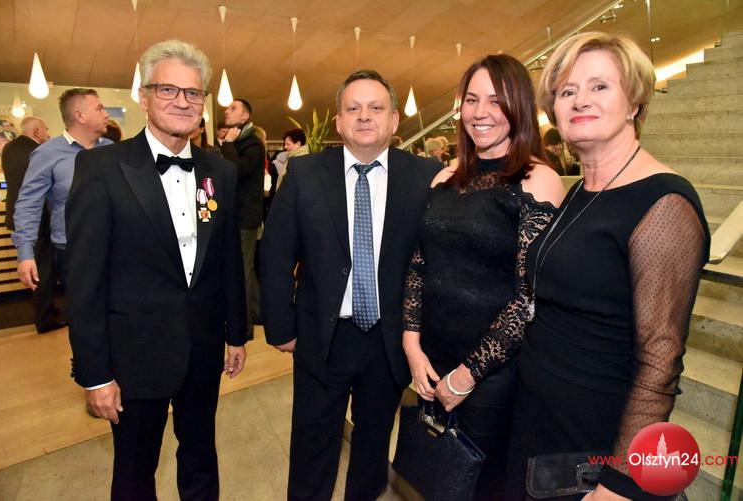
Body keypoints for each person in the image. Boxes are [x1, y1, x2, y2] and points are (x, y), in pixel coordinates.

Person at [505, 32, 710, 500]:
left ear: (634, 101)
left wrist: (620, 482)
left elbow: (660, 359)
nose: (581, 100)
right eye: (567, 91)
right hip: (542, 425)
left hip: (595, 447)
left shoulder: (664, 203)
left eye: (599, 86)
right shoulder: (583, 189)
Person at [65, 39, 247, 501]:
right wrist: (95, 374)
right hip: (133, 355)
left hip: (202, 347)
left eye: (193, 93)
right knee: (134, 471)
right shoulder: (101, 167)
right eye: (168, 89)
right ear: (143, 97)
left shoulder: (219, 171)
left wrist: (236, 333)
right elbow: (84, 281)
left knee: (201, 457)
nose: (182, 102)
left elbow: (227, 259)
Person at [259, 69, 440, 501]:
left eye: (376, 107)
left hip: (389, 339)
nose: (364, 116)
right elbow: (276, 254)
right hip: (322, 336)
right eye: (352, 108)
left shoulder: (426, 176)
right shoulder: (304, 174)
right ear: (338, 121)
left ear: (393, 120)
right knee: (312, 444)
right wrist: (281, 327)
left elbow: (436, 261)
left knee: (374, 444)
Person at [402, 54, 564, 499]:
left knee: (480, 486)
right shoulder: (445, 177)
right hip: (432, 359)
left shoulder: (538, 179)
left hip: (492, 373)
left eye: (495, 100)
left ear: (519, 106)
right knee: (435, 479)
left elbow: (529, 297)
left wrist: (468, 374)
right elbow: (419, 264)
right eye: (471, 100)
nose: (480, 112)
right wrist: (411, 344)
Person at [13, 88, 111, 305]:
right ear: (79, 115)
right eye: (99, 108)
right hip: (73, 250)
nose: (106, 114)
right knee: (84, 312)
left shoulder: (111, 150)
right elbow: (28, 204)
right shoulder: (47, 153)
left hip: (114, 247)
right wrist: (25, 253)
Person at [1, 116, 61, 333]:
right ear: (36, 132)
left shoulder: (8, 149)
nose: (48, 134)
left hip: (17, 218)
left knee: (33, 269)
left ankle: (45, 312)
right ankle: (45, 318)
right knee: (43, 271)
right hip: (38, 220)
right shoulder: (39, 152)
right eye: (45, 130)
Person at [220, 98, 266, 338]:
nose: (227, 111)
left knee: (243, 271)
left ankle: (245, 327)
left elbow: (235, 170)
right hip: (235, 216)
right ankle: (259, 314)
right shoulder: (240, 141)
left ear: (245, 116)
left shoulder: (252, 144)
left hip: (245, 218)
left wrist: (227, 144)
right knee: (246, 270)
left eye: (233, 108)